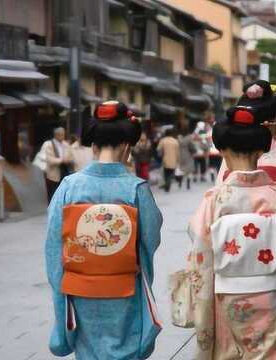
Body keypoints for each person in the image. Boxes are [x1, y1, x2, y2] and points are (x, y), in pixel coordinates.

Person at [178, 105, 276, 359]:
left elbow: (200, 252)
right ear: (261, 149)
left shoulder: (214, 199)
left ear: (222, 150)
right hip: (272, 297)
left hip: (227, 297)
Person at [45, 101, 163, 359]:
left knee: (88, 350)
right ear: (127, 147)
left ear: (94, 146)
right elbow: (151, 238)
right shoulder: (136, 188)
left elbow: (54, 246)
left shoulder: (68, 187)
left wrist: (61, 287)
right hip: (124, 289)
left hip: (80, 290)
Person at [41, 127, 73, 203]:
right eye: (61, 135)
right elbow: (49, 159)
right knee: (53, 194)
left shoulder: (66, 144)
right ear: (56, 135)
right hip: (53, 174)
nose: (63, 136)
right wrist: (62, 160)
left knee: (64, 192)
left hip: (65, 171)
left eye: (64, 134)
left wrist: (68, 160)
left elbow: (70, 156)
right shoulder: (48, 144)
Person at [156, 128, 179, 192]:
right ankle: (168, 184)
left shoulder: (163, 141)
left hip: (165, 160)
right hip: (173, 160)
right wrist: (178, 160)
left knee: (166, 173)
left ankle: (167, 184)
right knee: (171, 173)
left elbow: (158, 149)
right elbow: (177, 152)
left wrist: (160, 155)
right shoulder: (175, 141)